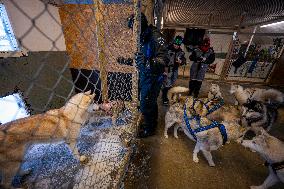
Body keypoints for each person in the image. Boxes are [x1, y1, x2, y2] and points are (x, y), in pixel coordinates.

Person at [128, 13, 168, 138]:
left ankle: (149, 129)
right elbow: (140, 59)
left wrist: (147, 62)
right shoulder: (142, 37)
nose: (133, 32)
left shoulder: (155, 37)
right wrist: (127, 61)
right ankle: (152, 122)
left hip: (154, 78)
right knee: (149, 102)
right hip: (145, 76)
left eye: (134, 28)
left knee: (146, 105)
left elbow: (164, 60)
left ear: (140, 25)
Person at [162, 36, 186, 105]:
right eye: (175, 44)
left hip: (175, 69)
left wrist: (181, 61)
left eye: (178, 45)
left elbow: (184, 60)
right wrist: (163, 70)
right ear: (173, 43)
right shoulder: (167, 49)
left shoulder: (180, 52)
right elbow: (162, 59)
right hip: (167, 69)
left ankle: (168, 95)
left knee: (171, 83)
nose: (176, 46)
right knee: (166, 85)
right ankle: (164, 99)